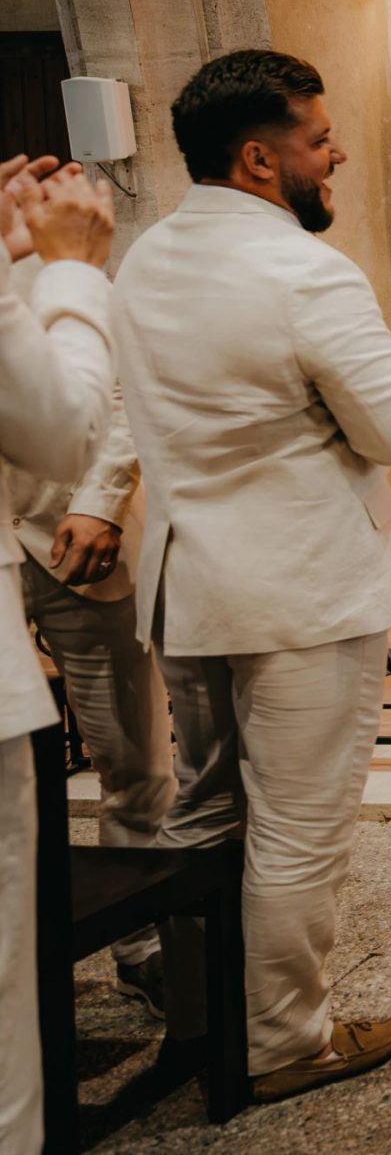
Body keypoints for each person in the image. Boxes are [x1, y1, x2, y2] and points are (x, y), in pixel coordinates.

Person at [116, 49, 391, 1103]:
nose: (333, 150)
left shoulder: (145, 259)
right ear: (258, 159)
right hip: (303, 590)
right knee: (299, 832)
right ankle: (285, 1043)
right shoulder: (305, 270)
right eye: (315, 137)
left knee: (204, 816)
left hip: (191, 585)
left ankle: (205, 1025)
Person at [7, 243, 172, 1016]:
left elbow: (123, 391)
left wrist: (102, 497)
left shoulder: (62, 263)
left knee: (133, 758)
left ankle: (143, 949)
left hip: (72, 539)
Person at [0, 154, 119, 1155]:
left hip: (78, 561)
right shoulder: (55, 264)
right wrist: (69, 270)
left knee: (138, 765)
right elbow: (62, 423)